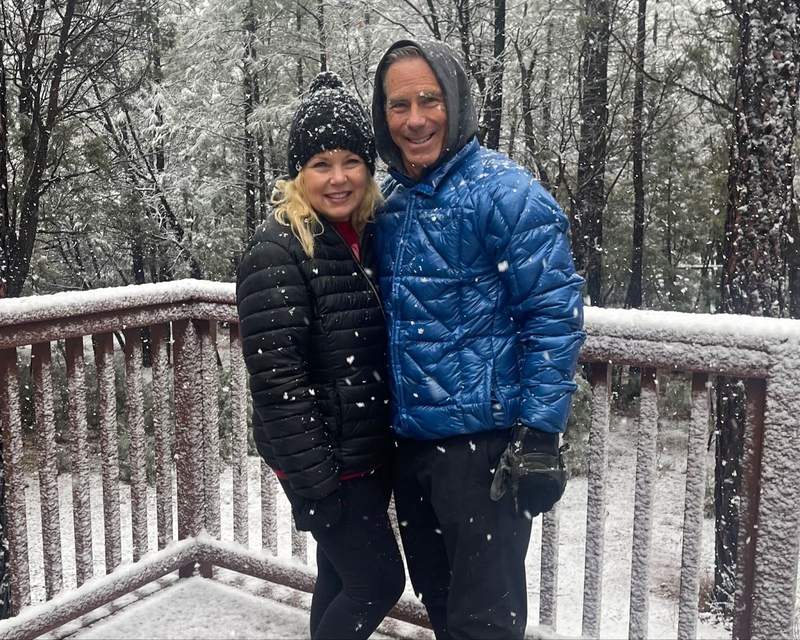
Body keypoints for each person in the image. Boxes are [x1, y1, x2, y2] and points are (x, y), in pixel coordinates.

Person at [370, 40, 586, 640]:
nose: (415, 119)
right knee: (439, 604)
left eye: (429, 99)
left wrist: (540, 434)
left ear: (457, 102)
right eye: (398, 105)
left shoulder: (506, 193)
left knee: (483, 624)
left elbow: (552, 314)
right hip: (413, 448)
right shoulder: (391, 205)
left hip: (483, 454)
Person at [236, 71, 405, 640]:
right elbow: (278, 382)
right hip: (330, 462)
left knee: (340, 578)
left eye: (351, 161)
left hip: (361, 450)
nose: (338, 178)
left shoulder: (362, 235)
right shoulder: (277, 250)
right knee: (377, 582)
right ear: (298, 174)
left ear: (369, 167)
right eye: (320, 164)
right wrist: (321, 484)